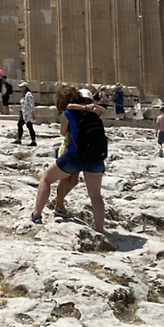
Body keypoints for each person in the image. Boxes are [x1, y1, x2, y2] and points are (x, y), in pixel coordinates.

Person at [31, 86, 108, 232]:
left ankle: (36, 214)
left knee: (46, 179)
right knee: (96, 195)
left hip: (75, 156)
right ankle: (100, 230)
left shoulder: (69, 113)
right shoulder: (94, 113)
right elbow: (104, 111)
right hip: (96, 158)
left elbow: (63, 132)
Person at [12, 82, 37, 146]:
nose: (20, 88)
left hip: (28, 114)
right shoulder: (24, 95)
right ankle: (21, 139)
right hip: (24, 113)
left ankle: (30, 141)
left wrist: (33, 113)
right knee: (26, 126)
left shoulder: (29, 95)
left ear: (25, 87)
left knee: (23, 125)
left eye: (21, 87)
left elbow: (32, 104)